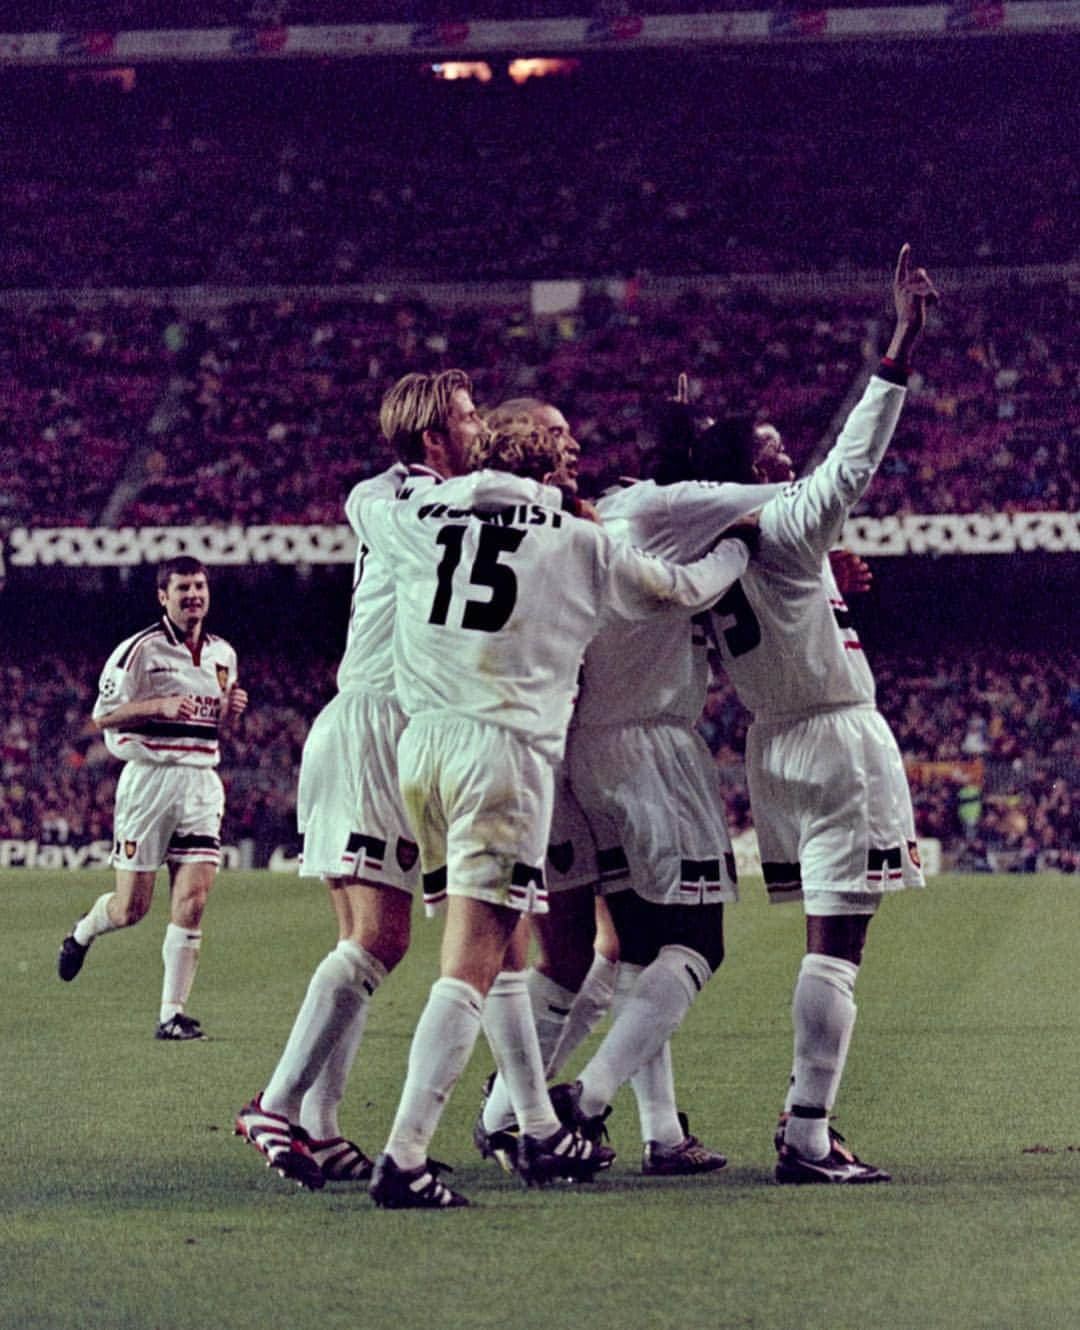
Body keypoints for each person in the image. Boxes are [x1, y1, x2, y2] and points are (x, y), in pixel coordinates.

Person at [351, 412, 760, 1208]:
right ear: (552, 470)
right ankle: (405, 1156)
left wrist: (427, 479)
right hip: (505, 754)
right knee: (471, 962)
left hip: (423, 749)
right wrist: (736, 550)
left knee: (500, 951)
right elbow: (676, 590)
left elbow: (361, 503)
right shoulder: (578, 540)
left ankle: (537, 1124)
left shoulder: (417, 513)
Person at [700, 243, 939, 1183]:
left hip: (773, 748)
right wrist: (901, 345)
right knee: (840, 944)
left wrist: (822, 589)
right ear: (740, 474)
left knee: (827, 936)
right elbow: (852, 463)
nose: (783, 458)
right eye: (766, 453)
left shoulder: (717, 547)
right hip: (837, 741)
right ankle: (807, 1132)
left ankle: (800, 1125)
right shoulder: (786, 521)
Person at [234, 370, 492, 1189]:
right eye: (468, 416)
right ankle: (275, 1105)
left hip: (369, 725)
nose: (480, 426)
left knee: (362, 938)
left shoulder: (431, 498)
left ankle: (321, 1123)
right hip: (375, 723)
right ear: (432, 438)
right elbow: (384, 507)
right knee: (383, 938)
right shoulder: (395, 496)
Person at [57, 556, 248, 1040]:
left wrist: (230, 713)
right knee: (131, 909)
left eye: (199, 587)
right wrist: (157, 705)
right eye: (182, 588)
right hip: (150, 781)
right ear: (163, 596)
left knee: (194, 898)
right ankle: (84, 932)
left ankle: (171, 1014)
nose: (193, 596)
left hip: (201, 780)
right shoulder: (138, 651)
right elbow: (102, 717)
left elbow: (215, 725)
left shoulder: (224, 653)